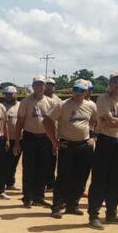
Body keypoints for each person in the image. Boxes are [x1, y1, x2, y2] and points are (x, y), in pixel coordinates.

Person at [87, 71, 118, 229]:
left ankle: (112, 213)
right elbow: (109, 120)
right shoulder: (103, 98)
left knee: (116, 180)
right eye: (114, 81)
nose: (117, 84)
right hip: (104, 141)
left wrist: (117, 122)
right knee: (99, 180)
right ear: (109, 84)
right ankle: (94, 215)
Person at [44, 79, 97, 218]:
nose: (77, 93)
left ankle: (72, 205)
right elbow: (47, 121)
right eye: (75, 90)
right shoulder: (63, 105)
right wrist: (54, 141)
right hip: (67, 144)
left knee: (81, 177)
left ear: (86, 92)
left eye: (81, 91)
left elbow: (96, 121)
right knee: (63, 177)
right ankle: (57, 207)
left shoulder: (91, 106)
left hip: (85, 145)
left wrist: (93, 137)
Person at [14, 76, 53, 208]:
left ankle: (39, 197)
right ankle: (27, 197)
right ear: (32, 86)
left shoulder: (50, 102)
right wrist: (17, 142)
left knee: (43, 168)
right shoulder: (25, 102)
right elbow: (19, 123)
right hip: (30, 137)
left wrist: (54, 141)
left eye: (41, 84)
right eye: (36, 84)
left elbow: (54, 123)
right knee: (29, 169)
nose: (39, 87)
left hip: (45, 138)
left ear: (45, 86)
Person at [44, 78, 63, 191]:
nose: (49, 87)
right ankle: (42, 182)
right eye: (48, 85)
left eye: (52, 85)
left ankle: (50, 183)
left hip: (55, 132)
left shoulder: (58, 101)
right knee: (43, 159)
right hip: (42, 132)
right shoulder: (42, 98)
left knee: (52, 158)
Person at [2, 85, 21, 191]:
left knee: (14, 162)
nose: (8, 96)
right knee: (4, 162)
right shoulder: (2, 106)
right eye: (6, 94)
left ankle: (10, 183)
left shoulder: (21, 106)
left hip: (18, 139)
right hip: (5, 139)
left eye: (10, 94)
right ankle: (2, 183)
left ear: (15, 94)